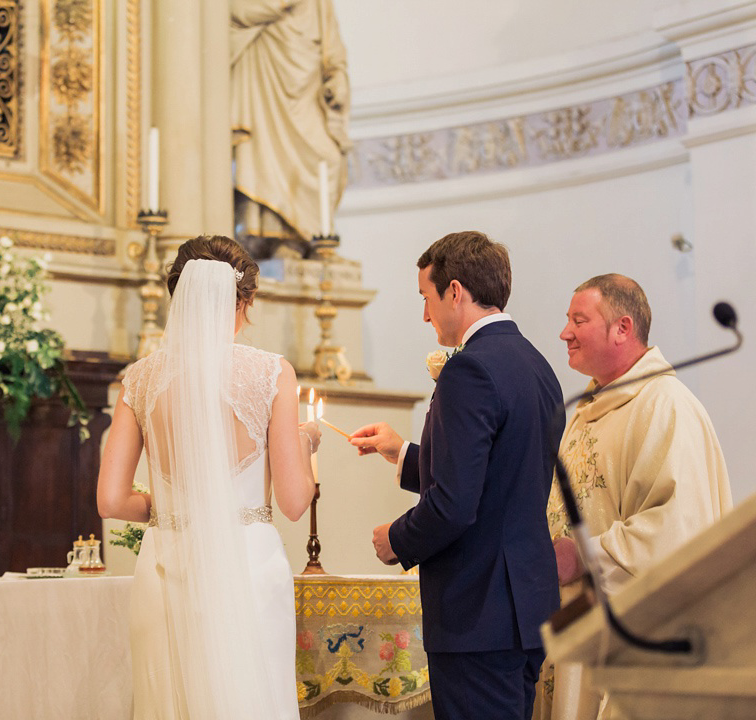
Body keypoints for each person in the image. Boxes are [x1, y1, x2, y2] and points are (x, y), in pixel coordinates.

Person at [97, 235, 320, 719]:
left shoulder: (138, 379)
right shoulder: (271, 373)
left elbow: (111, 501)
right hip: (248, 563)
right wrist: (304, 443)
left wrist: (171, 510)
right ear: (245, 300)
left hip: (164, 565)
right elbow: (294, 501)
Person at [349, 231, 563, 720]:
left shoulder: (469, 370)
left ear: (455, 291)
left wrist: (396, 540)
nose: (425, 315)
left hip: (479, 610)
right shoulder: (536, 366)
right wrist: (402, 454)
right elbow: (498, 475)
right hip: (526, 606)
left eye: (426, 298)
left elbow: (455, 505)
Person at [536, 274, 733, 720]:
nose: (565, 332)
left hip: (635, 636)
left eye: (578, 320)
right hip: (579, 624)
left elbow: (679, 531)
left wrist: (582, 555)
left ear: (622, 328)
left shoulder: (665, 406)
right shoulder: (587, 408)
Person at [231, 0, 352, 259]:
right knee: (260, 153)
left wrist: (338, 75)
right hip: (263, 77)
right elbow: (234, 11)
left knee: (327, 157)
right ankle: (267, 239)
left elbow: (333, 46)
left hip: (305, 88)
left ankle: (304, 237)